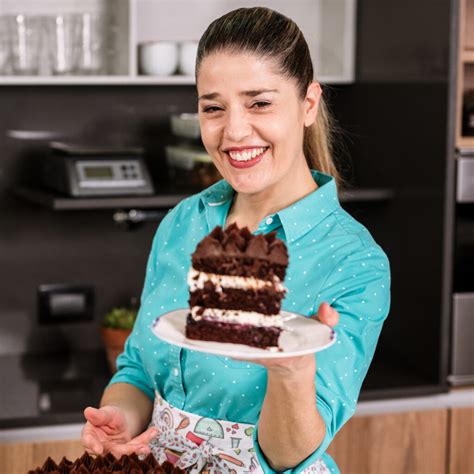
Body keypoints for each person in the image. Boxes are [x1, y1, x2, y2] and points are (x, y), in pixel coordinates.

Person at [81, 7, 390, 474]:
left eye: (260, 102)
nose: (235, 131)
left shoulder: (355, 261)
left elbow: (291, 455)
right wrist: (120, 416)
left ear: (308, 104)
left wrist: (291, 370)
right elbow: (139, 369)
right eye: (213, 107)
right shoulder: (183, 223)